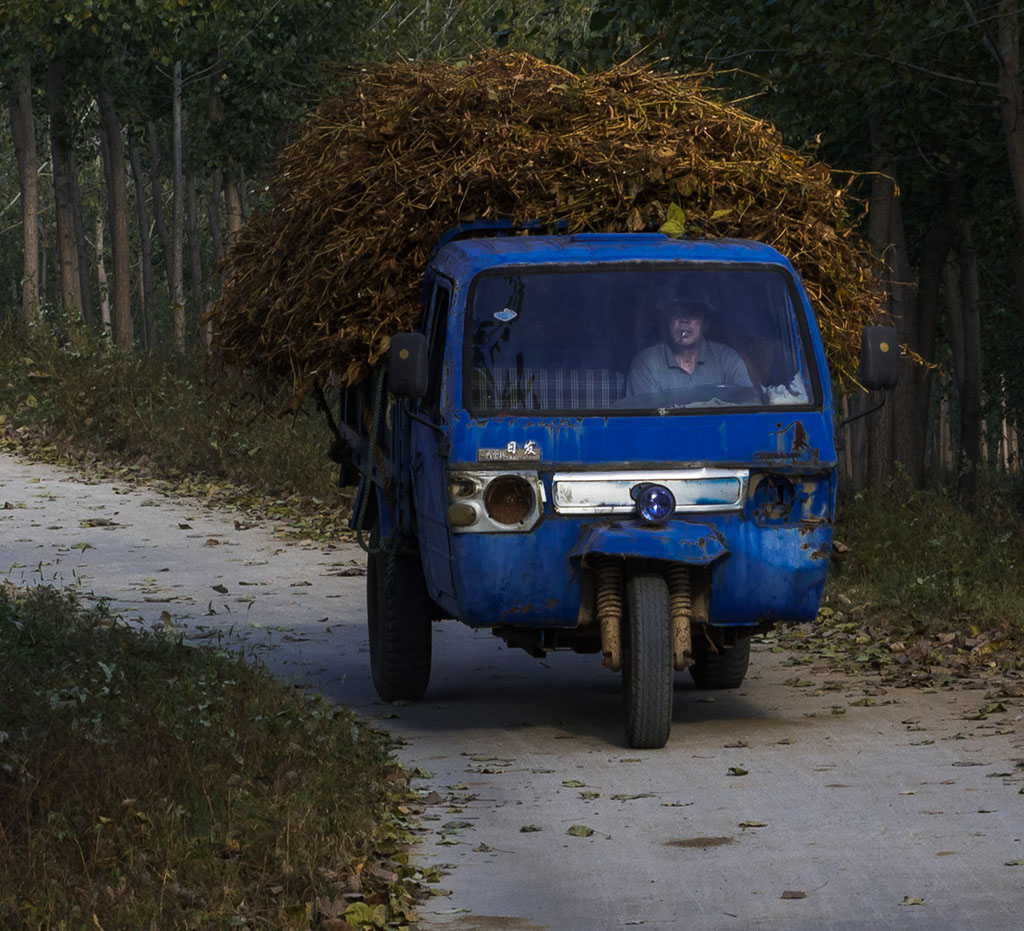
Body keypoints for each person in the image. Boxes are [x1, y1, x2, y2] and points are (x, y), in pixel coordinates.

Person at [626, 299, 752, 397]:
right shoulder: (647, 363)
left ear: (705, 324)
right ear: (666, 322)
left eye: (693, 313)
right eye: (676, 313)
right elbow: (646, 424)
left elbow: (748, 407)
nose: (684, 320)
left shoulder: (727, 360)